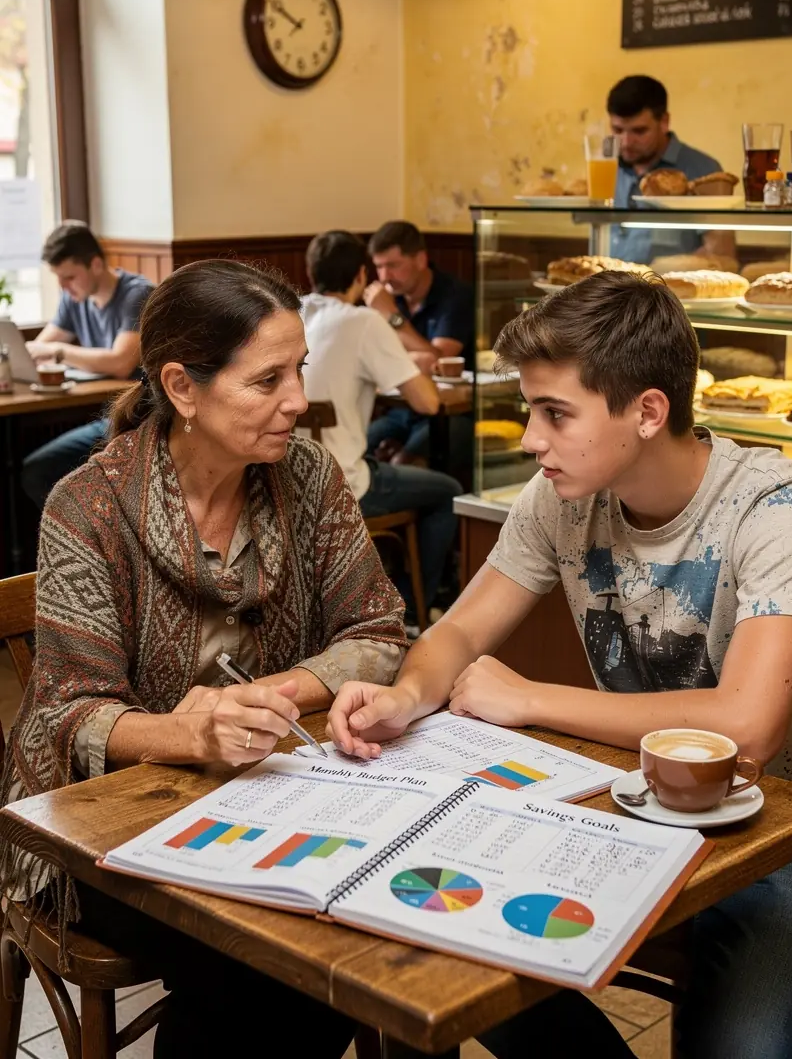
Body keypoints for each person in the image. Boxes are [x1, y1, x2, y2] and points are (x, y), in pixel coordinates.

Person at [327, 271, 792, 1059]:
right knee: (459, 960)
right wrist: (409, 697)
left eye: (556, 413)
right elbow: (454, 636)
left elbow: (745, 729)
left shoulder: (779, 506)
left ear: (648, 412)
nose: (529, 439)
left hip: (783, 833)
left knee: (745, 1045)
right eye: (530, 410)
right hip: (626, 810)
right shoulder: (559, 497)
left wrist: (529, 700)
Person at [0, 259, 408, 1059]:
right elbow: (67, 712)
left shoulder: (308, 475)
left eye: (298, 369)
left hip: (266, 798)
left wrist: (275, 692)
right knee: (277, 971)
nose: (298, 399)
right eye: (267, 381)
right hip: (103, 820)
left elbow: (380, 630)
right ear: (183, 388)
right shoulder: (88, 507)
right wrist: (190, 735)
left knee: (330, 944)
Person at [301, 230, 463, 615]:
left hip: (289, 480)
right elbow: (426, 401)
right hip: (344, 485)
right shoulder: (362, 322)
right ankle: (409, 607)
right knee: (448, 491)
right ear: (361, 275)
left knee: (378, 444)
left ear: (311, 273)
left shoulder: (291, 310)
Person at [21, 221, 154, 508]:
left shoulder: (137, 293)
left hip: (135, 419)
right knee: (34, 469)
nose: (64, 287)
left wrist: (57, 351)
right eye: (58, 279)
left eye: (69, 277)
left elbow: (120, 363)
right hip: (97, 413)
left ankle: (91, 536)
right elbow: (39, 350)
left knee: (40, 471)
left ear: (95, 264)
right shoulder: (74, 299)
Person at [364, 220, 474, 469]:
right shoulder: (389, 299)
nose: (384, 277)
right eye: (379, 267)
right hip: (401, 409)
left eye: (393, 265)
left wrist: (392, 316)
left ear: (421, 260)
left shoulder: (455, 296)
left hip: (451, 415)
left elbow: (439, 359)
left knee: (405, 464)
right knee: (355, 455)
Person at [607, 75, 725, 264]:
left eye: (639, 131)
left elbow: (722, 257)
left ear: (664, 121)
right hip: (607, 289)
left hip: (670, 290)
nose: (626, 142)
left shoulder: (704, 171)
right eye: (617, 130)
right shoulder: (605, 169)